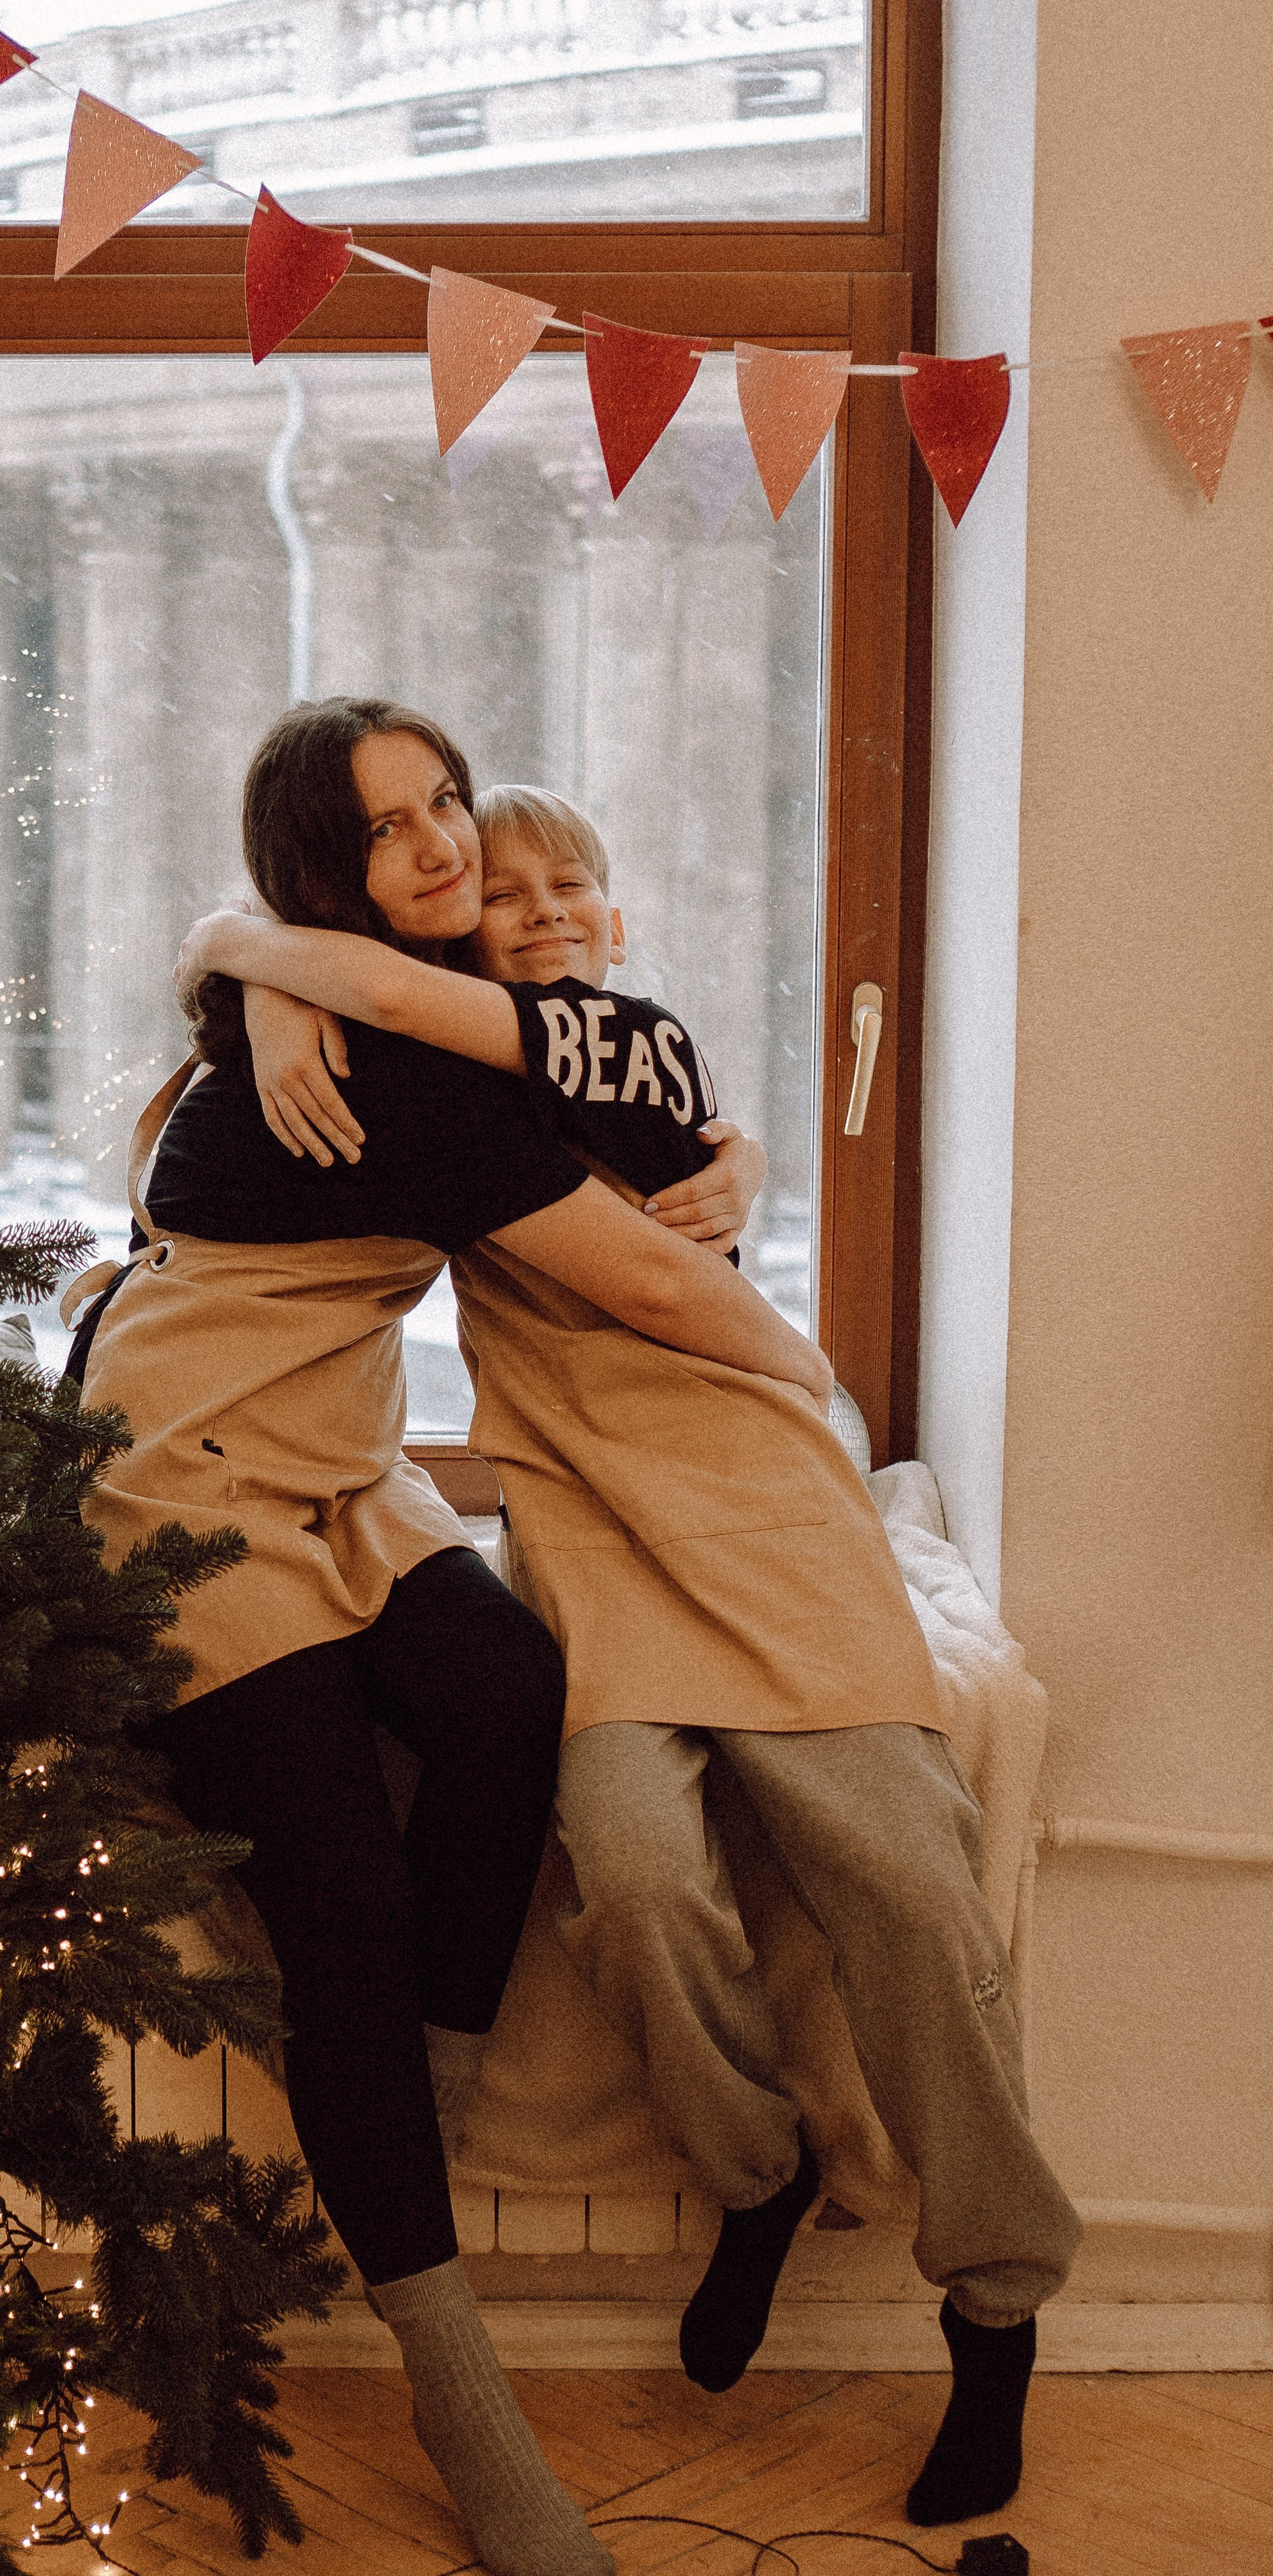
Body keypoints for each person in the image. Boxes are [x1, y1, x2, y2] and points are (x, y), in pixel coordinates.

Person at [176, 771, 1084, 2531]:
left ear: (613, 913)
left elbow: (668, 1271)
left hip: (755, 1499)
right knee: (643, 1881)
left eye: (558, 883)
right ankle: (751, 2174)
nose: (522, 908)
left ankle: (995, 2311)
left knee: (905, 1885)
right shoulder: (444, 1070)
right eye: (486, 891)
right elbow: (378, 1002)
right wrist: (265, 971)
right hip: (588, 1522)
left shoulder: (624, 1050)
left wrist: (254, 951)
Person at [71, 704, 833, 2576]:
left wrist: (728, 1149)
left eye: (448, 805)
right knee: (334, 1893)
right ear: (324, 878)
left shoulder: (387, 1006)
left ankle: (415, 2086)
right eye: (385, 832)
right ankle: (451, 2380)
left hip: (339, 1468)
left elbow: (643, 1108)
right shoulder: (379, 1058)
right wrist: (814, 1385)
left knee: (507, 1698)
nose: (437, 849)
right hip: (173, 1492)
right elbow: (649, 1278)